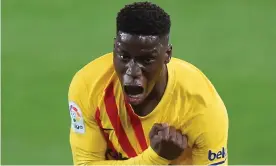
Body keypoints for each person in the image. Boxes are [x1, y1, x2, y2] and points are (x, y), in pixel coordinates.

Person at [68, 1, 228, 165]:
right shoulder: (89, 85)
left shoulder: (200, 105)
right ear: (115, 47)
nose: (132, 72)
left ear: (167, 55)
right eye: (124, 56)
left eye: (146, 60)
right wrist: (156, 158)